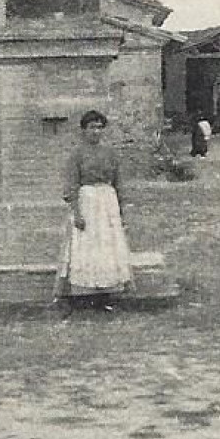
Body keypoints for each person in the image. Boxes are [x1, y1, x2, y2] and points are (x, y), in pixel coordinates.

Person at [58, 109, 135, 309]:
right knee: (87, 245)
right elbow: (71, 185)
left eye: (100, 128)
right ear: (84, 130)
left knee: (107, 245)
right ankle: (84, 294)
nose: (96, 132)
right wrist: (76, 212)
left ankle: (106, 294)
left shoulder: (110, 153)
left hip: (107, 203)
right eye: (92, 128)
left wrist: (121, 210)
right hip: (87, 202)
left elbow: (118, 183)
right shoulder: (76, 155)